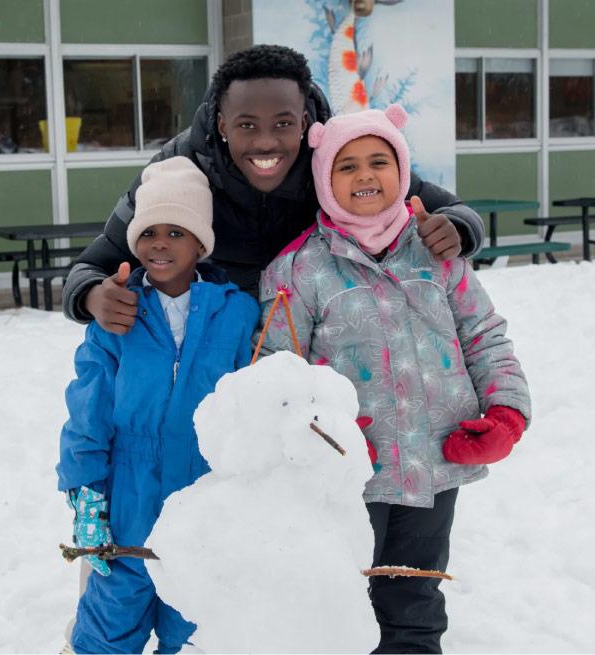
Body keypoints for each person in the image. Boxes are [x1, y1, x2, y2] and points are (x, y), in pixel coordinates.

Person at [255, 105, 531, 654]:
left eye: (379, 161)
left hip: (435, 463)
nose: (364, 176)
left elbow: (483, 333)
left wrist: (507, 411)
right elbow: (277, 376)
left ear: (402, 173)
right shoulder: (297, 270)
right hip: (347, 474)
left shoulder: (438, 251)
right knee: (342, 603)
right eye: (347, 165)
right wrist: (320, 429)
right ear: (323, 181)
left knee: (416, 600)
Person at [61, 44, 486, 334]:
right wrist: (94, 297)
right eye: (247, 125)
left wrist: (457, 228)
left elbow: (451, 210)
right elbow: (91, 266)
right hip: (214, 355)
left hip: (319, 357)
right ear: (223, 124)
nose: (265, 142)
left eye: (283, 123)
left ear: (303, 121)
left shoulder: (340, 157)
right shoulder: (175, 170)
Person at [56, 156, 259, 654]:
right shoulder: (116, 309)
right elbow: (90, 407)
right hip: (129, 496)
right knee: (110, 621)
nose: (160, 244)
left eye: (176, 231)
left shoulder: (236, 313)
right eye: (149, 232)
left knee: (193, 625)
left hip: (202, 496)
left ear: (201, 242)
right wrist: (86, 492)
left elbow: (250, 407)